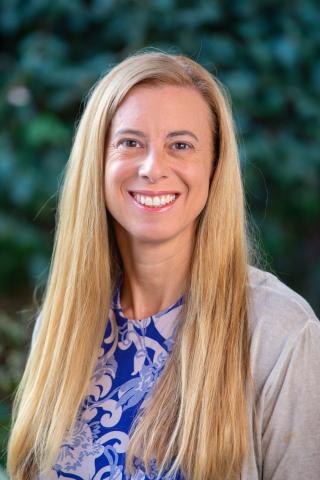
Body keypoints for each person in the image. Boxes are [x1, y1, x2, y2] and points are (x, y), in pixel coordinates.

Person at [7, 51, 320, 480]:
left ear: (214, 167)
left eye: (180, 145)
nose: (153, 168)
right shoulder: (62, 325)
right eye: (130, 142)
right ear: (97, 162)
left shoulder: (279, 333)